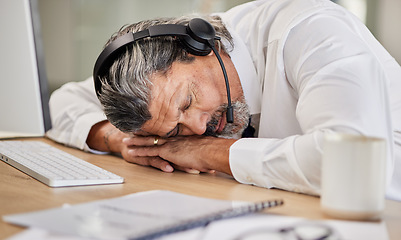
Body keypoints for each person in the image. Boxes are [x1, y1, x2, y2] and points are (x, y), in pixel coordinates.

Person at [47, 0, 401, 201]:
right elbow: (65, 100)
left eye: (186, 103)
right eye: (176, 130)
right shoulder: (166, 81)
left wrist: (209, 152)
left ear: (202, 43)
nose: (199, 127)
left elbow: (350, 163)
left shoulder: (311, 31)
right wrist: (129, 143)